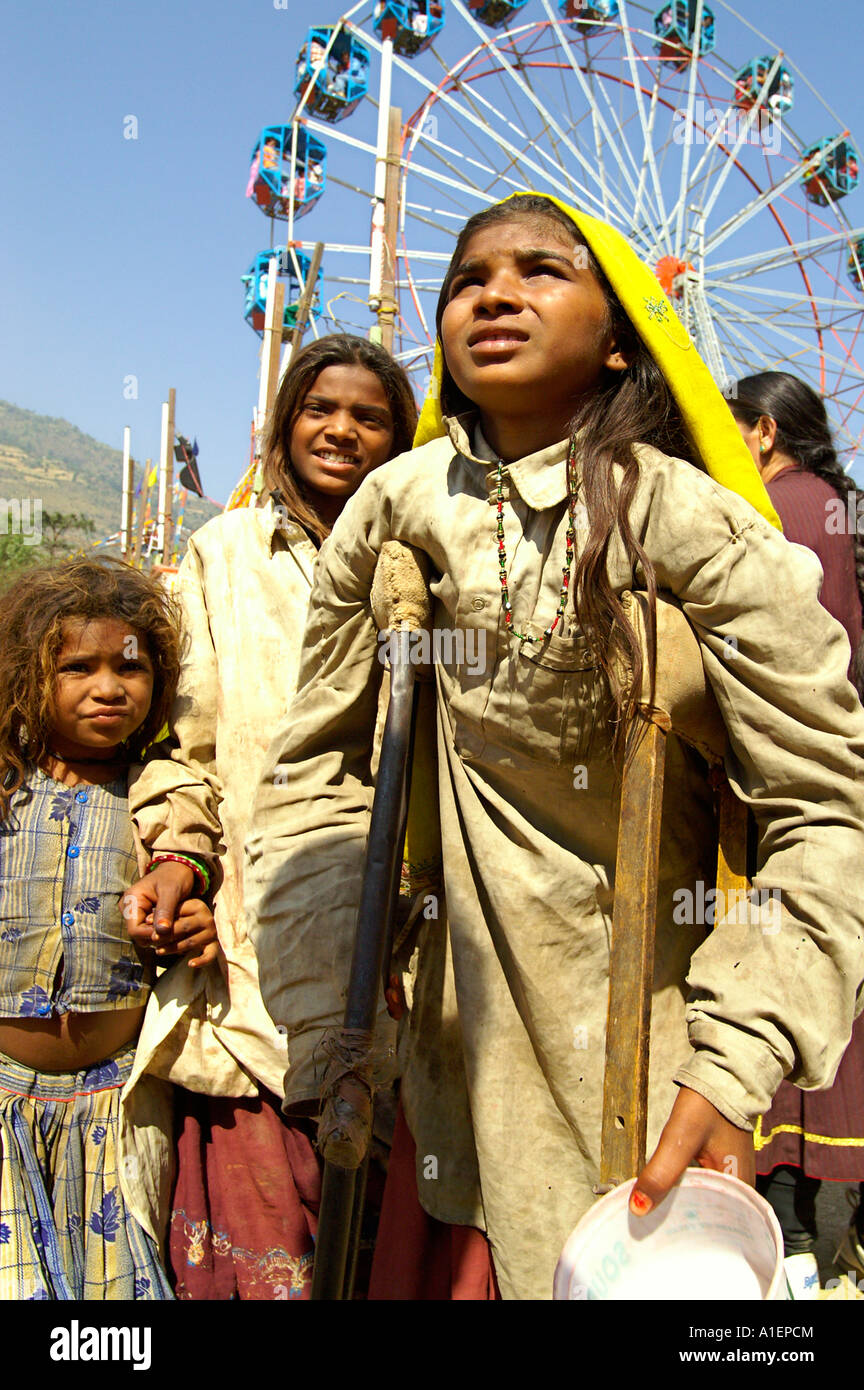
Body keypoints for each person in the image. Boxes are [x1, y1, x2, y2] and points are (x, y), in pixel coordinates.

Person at [245, 192, 864, 1301]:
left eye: (541, 271)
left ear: (620, 331)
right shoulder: (392, 511)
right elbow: (319, 780)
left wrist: (738, 1054)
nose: (495, 293)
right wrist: (321, 1005)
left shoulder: (692, 524)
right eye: (469, 278)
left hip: (650, 1038)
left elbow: (824, 808)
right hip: (445, 1047)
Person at [121, 336, 418, 1300]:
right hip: (251, 961)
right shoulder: (225, 555)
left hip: (403, 964)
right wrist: (181, 864)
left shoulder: (431, 560)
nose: (339, 430)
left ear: (399, 437)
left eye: (367, 416)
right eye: (318, 409)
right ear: (285, 424)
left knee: (387, 1247)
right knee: (261, 1257)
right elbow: (189, 749)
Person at [0, 557, 215, 1300]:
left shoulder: (157, 795)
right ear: (30, 676)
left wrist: (189, 923)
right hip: (3, 1105)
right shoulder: (6, 789)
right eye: (77, 667)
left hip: (115, 1106)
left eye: (129, 668)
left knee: (114, 1302)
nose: (107, 687)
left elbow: (195, 869)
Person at [731, 370, 864, 1297]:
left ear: (766, 432)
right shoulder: (844, 509)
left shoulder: (777, 511)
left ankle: (784, 1231)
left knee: (768, 979)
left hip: (783, 787)